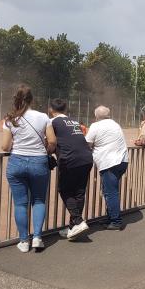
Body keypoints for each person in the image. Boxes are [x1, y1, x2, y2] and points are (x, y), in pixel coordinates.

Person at [1, 85, 56, 252]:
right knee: (39, 200)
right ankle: (37, 237)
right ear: (32, 99)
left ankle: (24, 241)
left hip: (16, 161)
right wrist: (46, 151)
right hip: (39, 162)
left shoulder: (10, 119)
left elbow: (5, 146)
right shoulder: (43, 117)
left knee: (20, 204)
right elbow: (52, 141)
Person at [49, 99, 93, 240]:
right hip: (86, 158)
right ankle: (73, 227)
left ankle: (78, 221)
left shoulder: (52, 122)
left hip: (70, 159)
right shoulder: (73, 120)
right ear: (65, 109)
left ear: (51, 109)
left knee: (65, 190)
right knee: (79, 192)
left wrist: (48, 153)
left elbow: (50, 141)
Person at [85, 106, 128, 230]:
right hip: (122, 160)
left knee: (110, 192)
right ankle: (111, 218)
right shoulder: (115, 124)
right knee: (108, 191)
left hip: (109, 162)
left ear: (96, 116)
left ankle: (116, 221)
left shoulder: (95, 126)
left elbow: (87, 143)